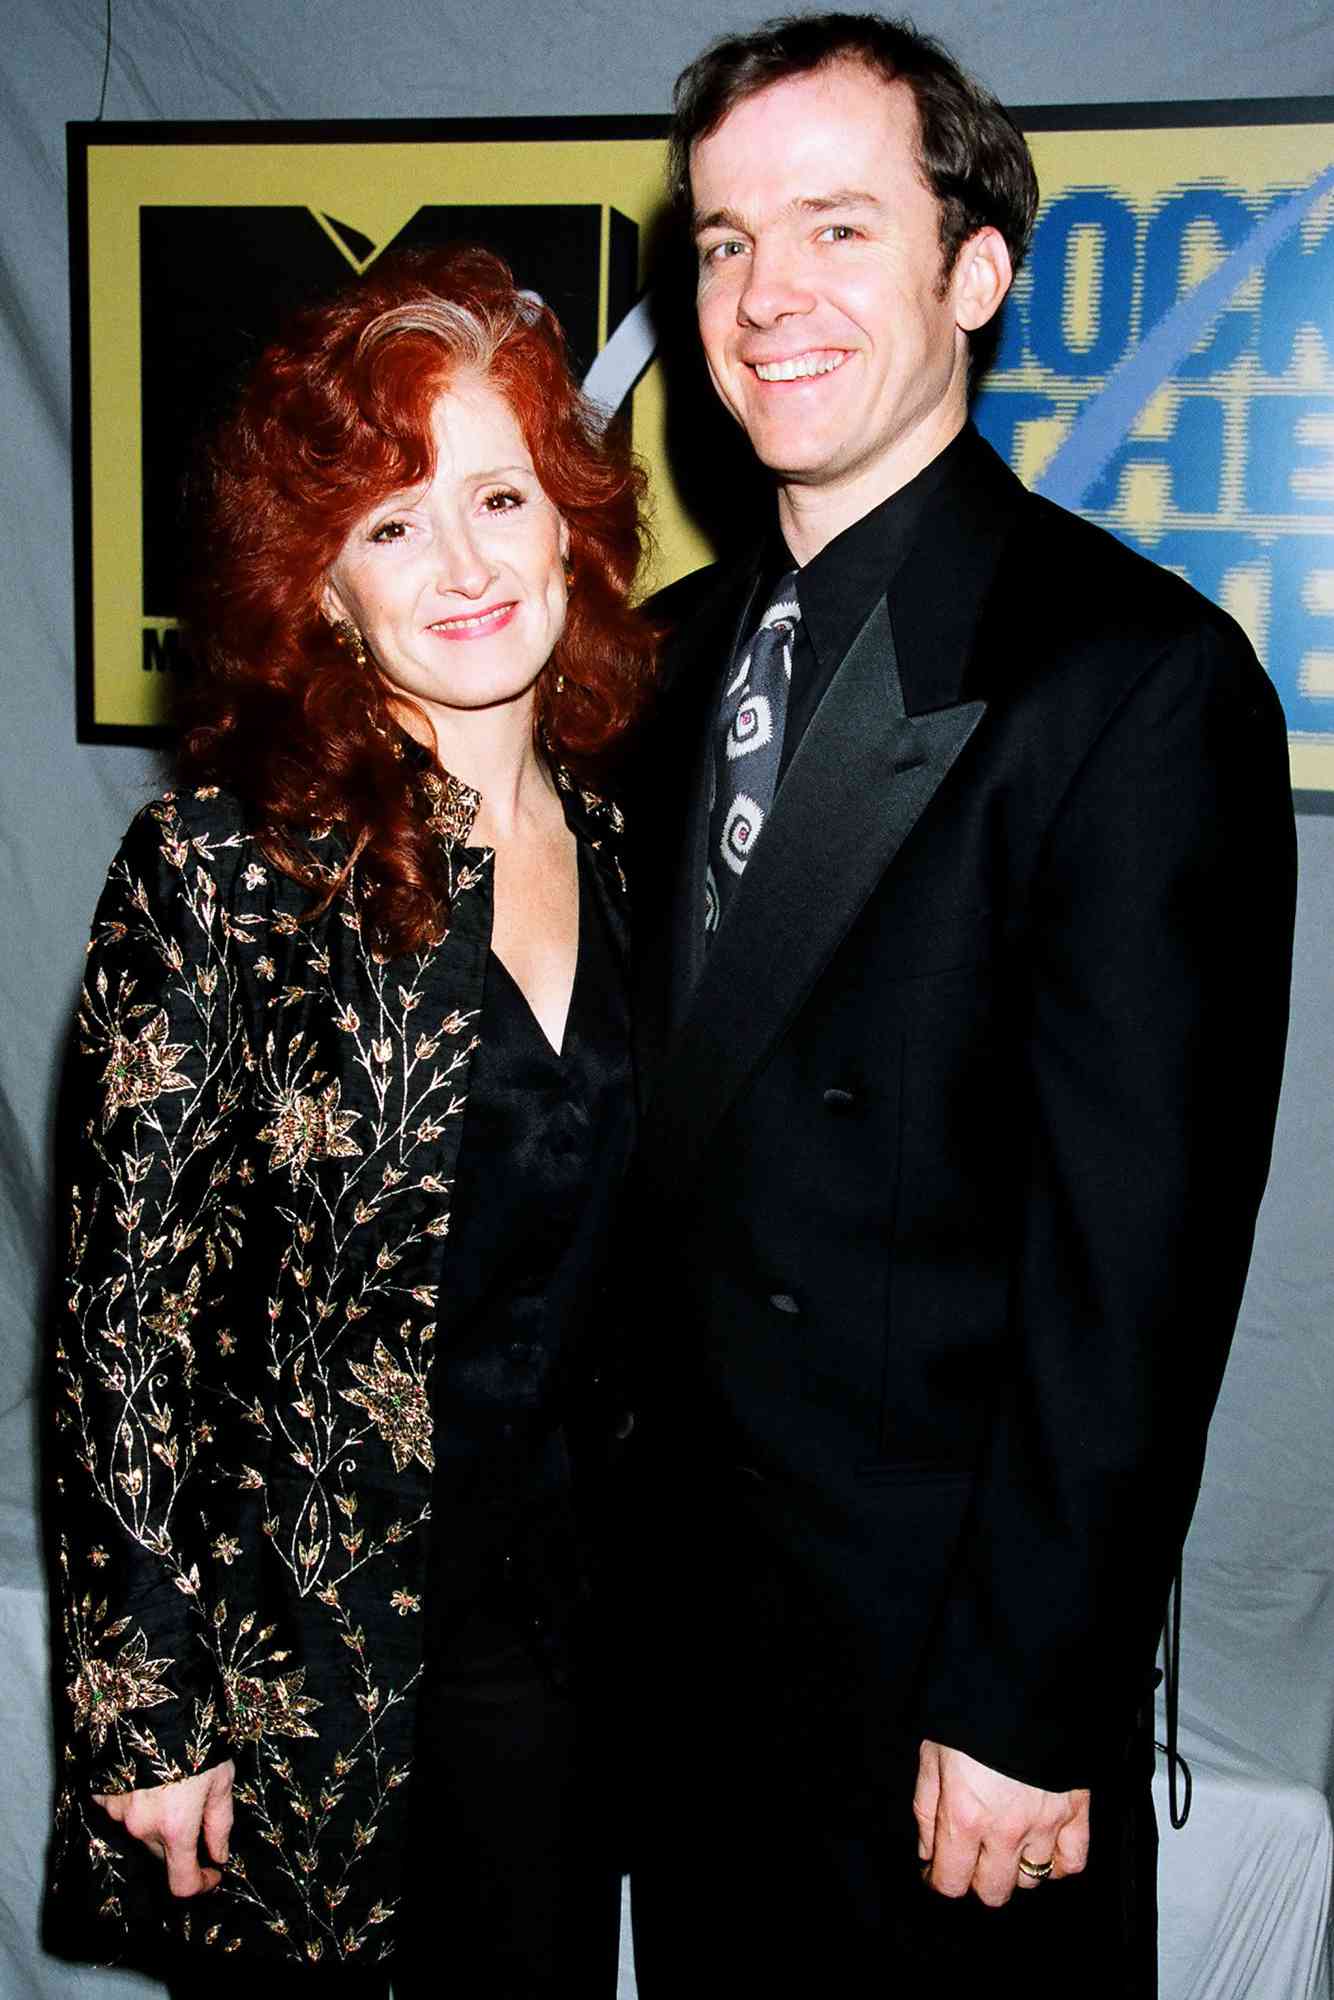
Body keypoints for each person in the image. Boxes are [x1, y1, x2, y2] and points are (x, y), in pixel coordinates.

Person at [623, 13, 1297, 1994]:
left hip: (943, 1690)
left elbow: (1138, 1268)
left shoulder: (1130, 681)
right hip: (686, 1650)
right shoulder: (653, 666)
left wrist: (1028, 1693)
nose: (763, 297)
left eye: (835, 227)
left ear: (975, 272)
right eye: (725, 242)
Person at [47, 243, 654, 1995]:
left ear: (571, 528)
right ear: (320, 588)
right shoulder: (219, 874)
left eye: (496, 495)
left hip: (571, 1657)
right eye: (389, 526)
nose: (459, 562)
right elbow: (116, 1325)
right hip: (304, 1671)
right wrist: (145, 1708)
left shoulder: (639, 849)